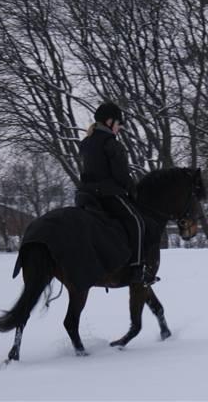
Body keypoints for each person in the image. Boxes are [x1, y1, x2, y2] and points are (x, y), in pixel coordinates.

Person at [76, 102, 156, 285]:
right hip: (108, 194)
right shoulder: (111, 144)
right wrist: (132, 189)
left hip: (86, 196)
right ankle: (137, 268)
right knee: (137, 221)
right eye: (119, 124)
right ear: (110, 121)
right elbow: (120, 175)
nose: (119, 128)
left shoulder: (86, 143)